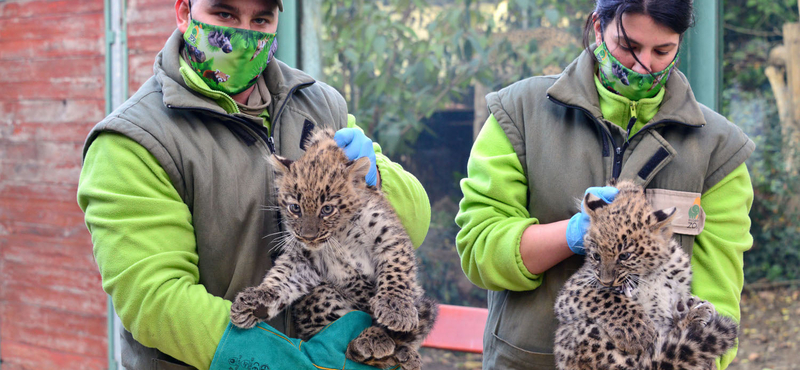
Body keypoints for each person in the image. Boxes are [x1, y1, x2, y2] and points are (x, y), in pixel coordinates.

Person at [76, 0, 431, 369]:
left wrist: (376, 178)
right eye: (224, 14)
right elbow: (154, 300)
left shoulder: (320, 103)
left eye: (261, 18)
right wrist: (287, 362)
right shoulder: (132, 142)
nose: (243, 34)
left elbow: (413, 225)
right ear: (184, 13)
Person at [455, 1, 754, 369]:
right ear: (598, 26)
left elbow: (717, 310)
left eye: (663, 50)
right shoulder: (519, 112)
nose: (644, 65)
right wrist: (570, 235)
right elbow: (479, 251)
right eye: (628, 47)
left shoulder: (720, 150)